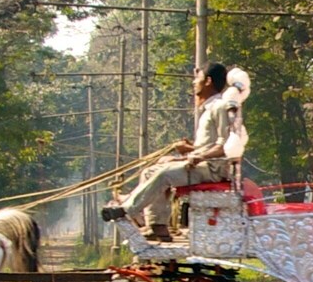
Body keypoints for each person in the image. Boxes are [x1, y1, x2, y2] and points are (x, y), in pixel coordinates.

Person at [102, 63, 245, 242]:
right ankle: (157, 226)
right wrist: (189, 150)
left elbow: (225, 145)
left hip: (212, 169)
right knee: (152, 170)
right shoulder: (209, 109)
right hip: (202, 164)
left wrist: (198, 155)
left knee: (164, 174)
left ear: (208, 81)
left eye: (197, 78)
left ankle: (128, 208)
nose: (194, 83)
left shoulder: (219, 107)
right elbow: (208, 145)